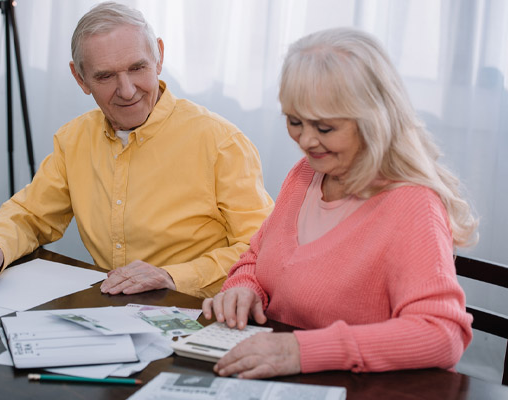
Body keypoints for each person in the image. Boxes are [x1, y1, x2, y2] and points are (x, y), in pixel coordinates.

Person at [202, 27, 478, 379]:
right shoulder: (305, 174)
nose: (306, 140)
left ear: (373, 121)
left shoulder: (412, 204)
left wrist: (302, 351)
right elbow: (257, 257)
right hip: (281, 375)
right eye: (294, 121)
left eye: (325, 128)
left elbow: (441, 335)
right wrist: (244, 288)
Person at [0, 2, 273, 298]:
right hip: (112, 312)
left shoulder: (221, 142)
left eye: (137, 68)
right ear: (80, 78)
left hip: (198, 314)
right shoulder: (74, 138)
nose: (127, 90)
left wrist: (173, 276)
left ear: (159, 56)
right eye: (105, 76)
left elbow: (262, 251)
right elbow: (31, 215)